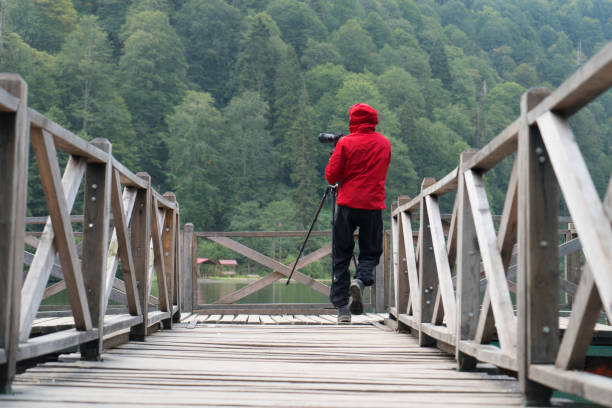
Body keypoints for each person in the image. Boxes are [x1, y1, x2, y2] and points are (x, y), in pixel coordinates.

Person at [325, 103, 391, 323]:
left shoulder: (344, 143)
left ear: (353, 120)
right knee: (371, 252)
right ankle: (361, 281)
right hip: (372, 205)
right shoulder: (384, 143)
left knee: (341, 255)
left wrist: (336, 151)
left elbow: (331, 176)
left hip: (347, 205)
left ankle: (343, 309)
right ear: (374, 120)